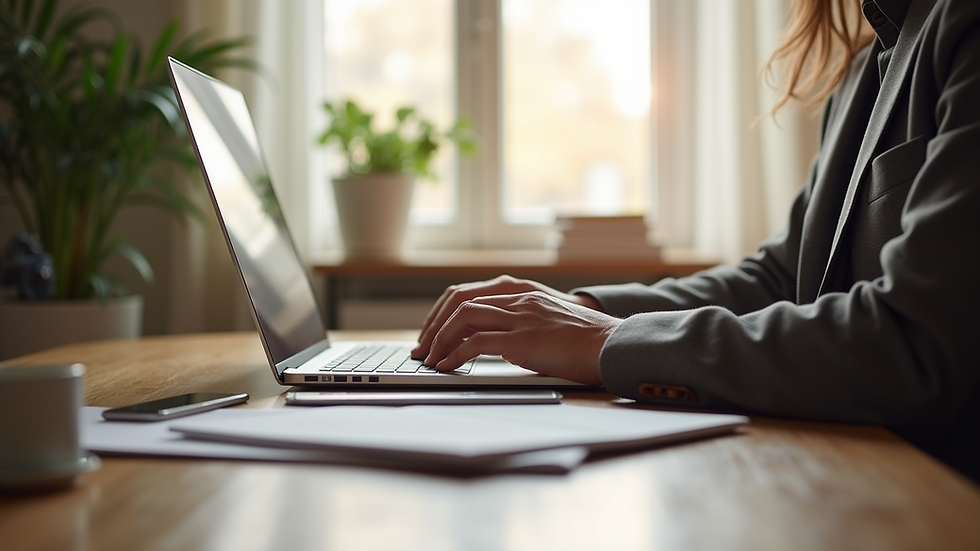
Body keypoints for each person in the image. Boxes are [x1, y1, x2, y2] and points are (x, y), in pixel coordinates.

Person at [411, 0, 980, 483]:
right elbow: (780, 279)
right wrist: (581, 312)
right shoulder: (865, 69)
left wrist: (606, 341)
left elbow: (913, 339)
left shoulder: (962, 27)